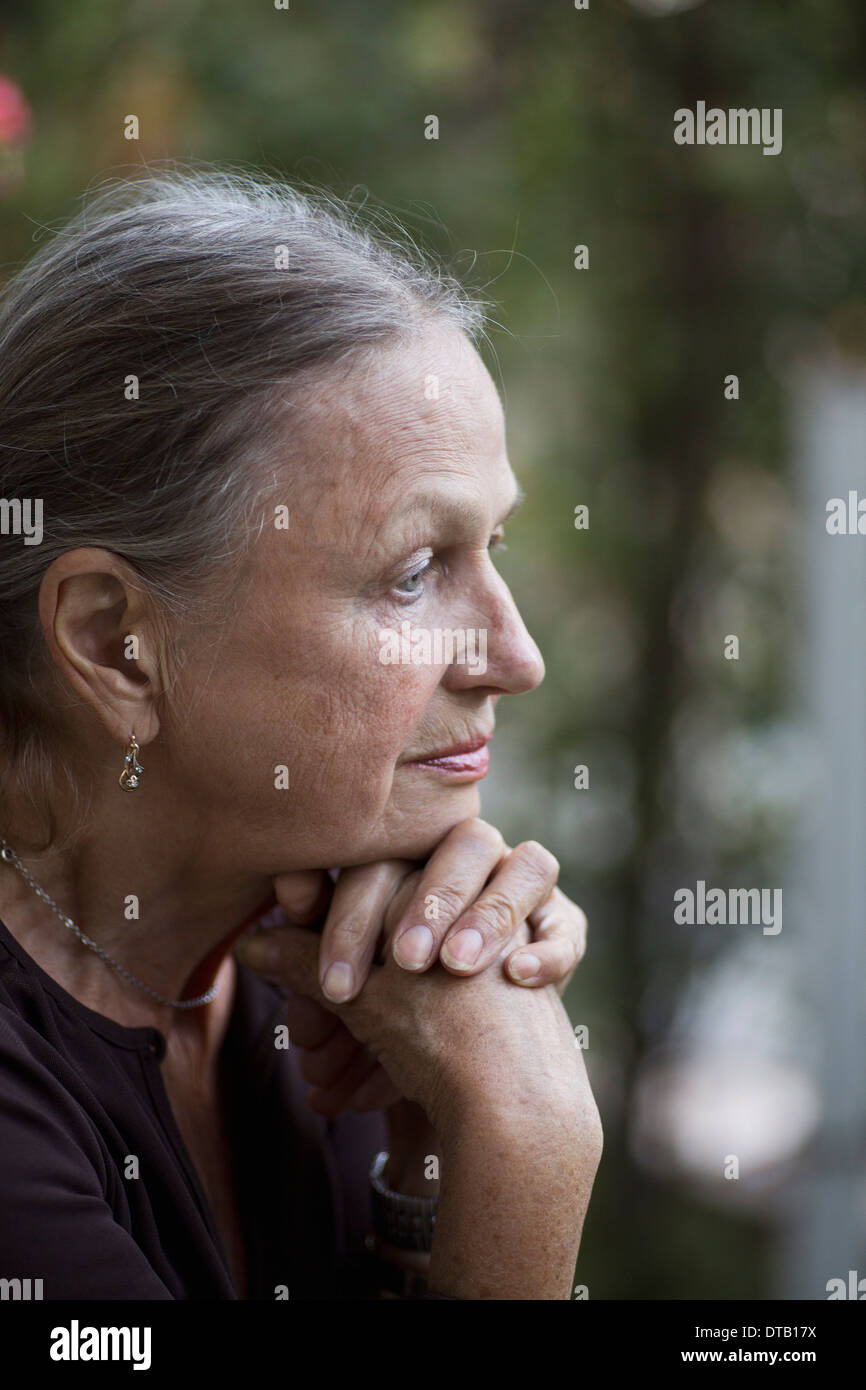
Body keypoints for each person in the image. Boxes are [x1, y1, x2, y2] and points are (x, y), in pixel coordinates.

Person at [0, 168, 603, 1300]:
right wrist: (527, 1138)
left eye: (495, 549)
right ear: (116, 644)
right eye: (416, 572)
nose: (517, 659)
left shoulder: (320, 966)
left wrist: (434, 1146)